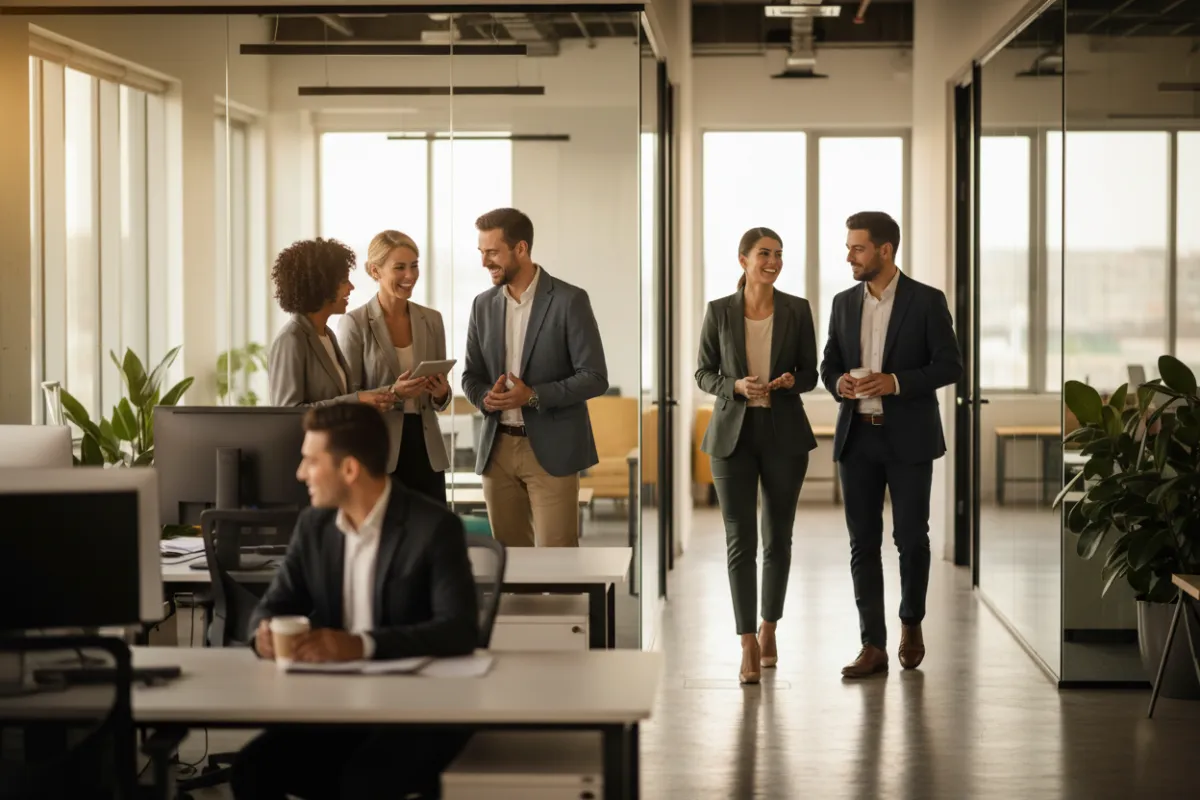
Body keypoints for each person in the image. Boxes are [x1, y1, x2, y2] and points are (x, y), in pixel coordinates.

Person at [231, 403, 478, 799]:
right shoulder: (314, 526)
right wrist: (260, 632)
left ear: (349, 469)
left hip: (418, 711)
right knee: (253, 770)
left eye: (311, 461)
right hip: (336, 704)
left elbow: (460, 629)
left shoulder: (433, 527)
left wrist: (361, 645)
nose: (300, 474)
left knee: (363, 782)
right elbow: (273, 603)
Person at [819, 211, 962, 679]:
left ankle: (911, 622)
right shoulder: (842, 303)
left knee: (910, 540)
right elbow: (829, 364)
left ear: (885, 249)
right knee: (863, 543)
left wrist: (895, 382)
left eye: (857, 248)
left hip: (909, 439)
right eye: (848, 247)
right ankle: (872, 644)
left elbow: (948, 366)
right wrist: (838, 381)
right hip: (856, 439)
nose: (849, 256)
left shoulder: (926, 301)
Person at [695, 227, 818, 685]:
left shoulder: (797, 309)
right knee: (739, 540)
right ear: (743, 259)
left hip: (784, 432)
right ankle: (746, 639)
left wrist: (790, 381)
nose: (773, 261)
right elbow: (703, 372)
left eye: (779, 254)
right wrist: (734, 386)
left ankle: (770, 626)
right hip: (732, 436)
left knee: (778, 538)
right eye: (764, 253)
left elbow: (812, 372)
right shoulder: (719, 312)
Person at [461, 208, 608, 547]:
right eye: (481, 252)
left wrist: (532, 396)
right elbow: (471, 375)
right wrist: (486, 397)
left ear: (521, 249)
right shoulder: (481, 305)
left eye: (492, 252)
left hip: (552, 450)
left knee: (557, 563)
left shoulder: (570, 300)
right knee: (509, 563)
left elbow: (595, 376)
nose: (485, 262)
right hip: (497, 450)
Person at [338, 231, 452, 505]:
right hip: (380, 448)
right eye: (399, 267)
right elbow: (348, 398)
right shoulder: (355, 323)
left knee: (430, 536)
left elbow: (439, 401)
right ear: (375, 271)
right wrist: (393, 392)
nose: (410, 275)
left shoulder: (432, 320)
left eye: (414, 265)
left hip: (427, 450)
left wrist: (440, 393)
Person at [266, 238, 395, 412]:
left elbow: (341, 399)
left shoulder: (327, 335)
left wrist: (394, 391)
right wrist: (357, 401)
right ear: (322, 285)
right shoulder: (291, 339)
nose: (351, 287)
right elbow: (288, 413)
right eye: (344, 281)